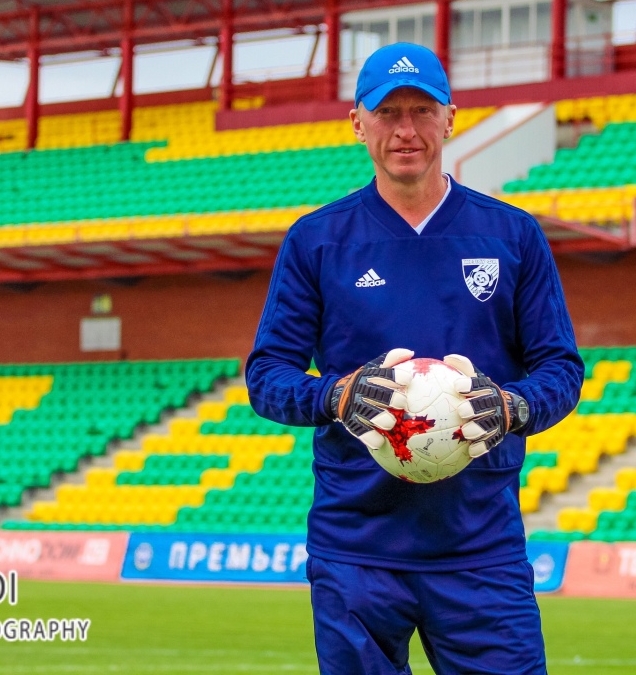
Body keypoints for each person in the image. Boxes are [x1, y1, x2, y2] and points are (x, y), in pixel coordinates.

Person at [246, 41, 583, 675]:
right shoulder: (317, 240)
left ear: (450, 119)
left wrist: (513, 406)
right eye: (388, 112)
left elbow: (561, 370)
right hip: (356, 548)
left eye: (422, 111)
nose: (406, 130)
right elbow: (266, 376)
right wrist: (335, 395)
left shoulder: (512, 235)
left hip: (480, 546)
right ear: (358, 123)